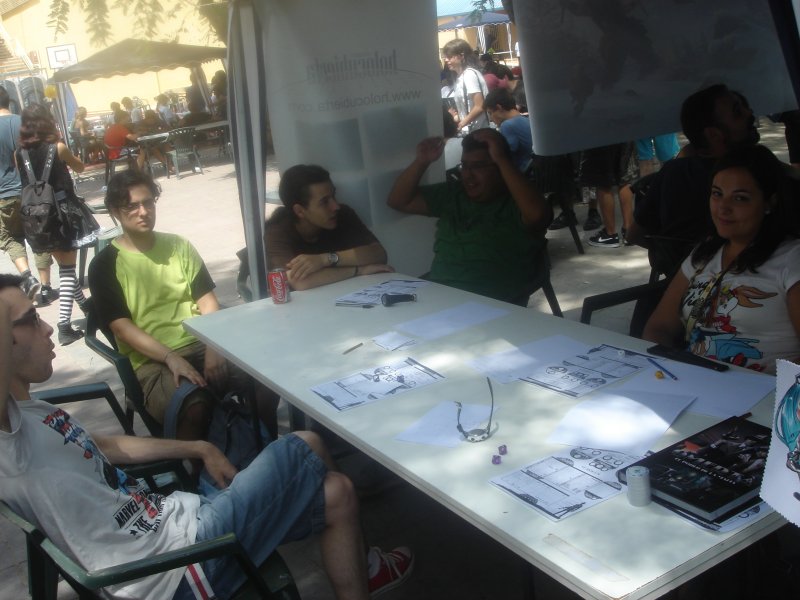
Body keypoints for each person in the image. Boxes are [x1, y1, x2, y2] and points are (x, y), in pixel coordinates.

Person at [0, 274, 414, 600]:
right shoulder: (7, 447)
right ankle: (369, 563)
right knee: (304, 443)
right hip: (177, 570)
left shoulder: (31, 413)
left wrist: (199, 446)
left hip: (179, 524)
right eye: (30, 319)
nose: (48, 327)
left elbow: (105, 445)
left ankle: (368, 571)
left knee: (338, 491)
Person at [89, 170, 276, 440]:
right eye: (132, 206)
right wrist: (171, 357)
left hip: (200, 341)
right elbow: (121, 328)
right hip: (151, 360)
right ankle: (197, 462)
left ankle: (265, 445)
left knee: (268, 376)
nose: (144, 212)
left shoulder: (178, 246)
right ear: (115, 212)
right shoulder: (104, 265)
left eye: (148, 202)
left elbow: (207, 301)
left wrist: (214, 345)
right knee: (194, 404)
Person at [643, 145, 800, 374]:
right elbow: (660, 327)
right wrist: (667, 369)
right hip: (693, 381)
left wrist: (768, 388)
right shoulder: (704, 254)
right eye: (717, 194)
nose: (723, 208)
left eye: (740, 198)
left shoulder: (792, 259)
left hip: (765, 390)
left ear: (769, 202)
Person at [387, 129, 552, 305]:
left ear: (500, 167)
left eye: (478, 166)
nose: (467, 175)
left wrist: (502, 159)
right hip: (440, 297)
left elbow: (538, 216)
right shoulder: (453, 193)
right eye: (464, 166)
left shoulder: (517, 201)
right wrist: (422, 161)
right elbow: (398, 200)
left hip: (493, 304)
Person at [626, 84, 761, 277]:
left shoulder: (673, 172)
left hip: (681, 278)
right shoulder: (752, 176)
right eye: (738, 112)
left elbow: (634, 235)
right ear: (713, 135)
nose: (750, 113)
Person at [15, 103, 88, 345]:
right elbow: (80, 167)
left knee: (65, 266)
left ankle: (86, 307)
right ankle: (64, 325)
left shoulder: (19, 154)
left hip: (36, 218)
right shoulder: (58, 147)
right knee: (67, 268)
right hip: (62, 215)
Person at [266, 165, 393, 291]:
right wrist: (359, 270)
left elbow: (379, 254)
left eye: (334, 196)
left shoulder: (343, 215)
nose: (336, 206)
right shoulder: (277, 232)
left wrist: (325, 259)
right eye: (324, 202)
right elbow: (297, 281)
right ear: (300, 211)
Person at [0, 86, 55, 306]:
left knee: (10, 237)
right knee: (39, 234)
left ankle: (26, 276)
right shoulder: (23, 123)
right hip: (31, 191)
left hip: (3, 194)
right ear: (9, 100)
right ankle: (46, 286)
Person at [441, 39, 489, 135]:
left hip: (478, 131)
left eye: (449, 57)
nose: (446, 60)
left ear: (461, 56)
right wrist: (456, 116)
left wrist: (461, 124)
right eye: (445, 57)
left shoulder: (469, 75)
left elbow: (480, 106)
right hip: (470, 131)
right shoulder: (460, 77)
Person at [484, 88, 532, 171]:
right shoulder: (526, 119)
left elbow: (504, 155)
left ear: (499, 108)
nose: (491, 119)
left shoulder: (507, 125)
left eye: (490, 113)